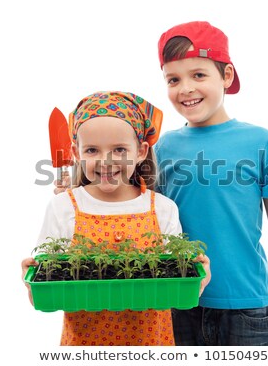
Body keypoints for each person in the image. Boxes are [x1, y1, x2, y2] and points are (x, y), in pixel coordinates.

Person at [154, 21, 268, 346]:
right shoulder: (163, 147)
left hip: (245, 303)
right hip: (178, 297)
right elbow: (146, 219)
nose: (185, 88)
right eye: (173, 79)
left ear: (226, 75)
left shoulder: (259, 141)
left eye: (198, 75)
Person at [22, 91, 210, 346]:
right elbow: (46, 284)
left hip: (151, 343)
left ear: (141, 151)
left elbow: (177, 281)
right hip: (85, 345)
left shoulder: (162, 208)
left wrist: (198, 277)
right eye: (92, 150)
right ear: (76, 153)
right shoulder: (63, 206)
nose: (106, 160)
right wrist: (31, 282)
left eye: (120, 149)